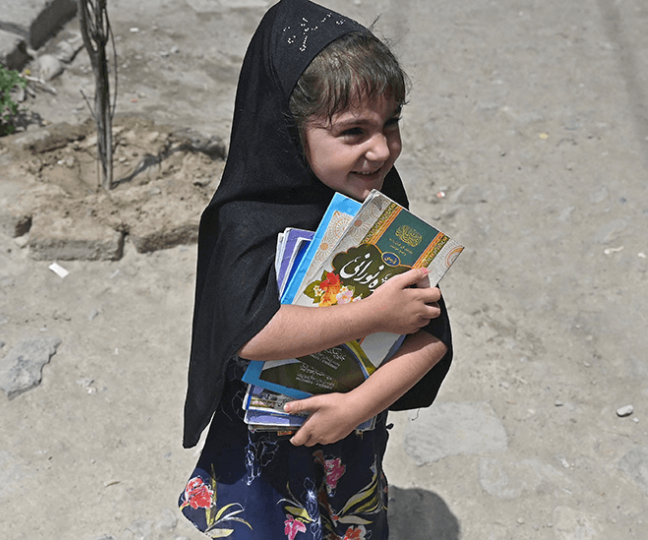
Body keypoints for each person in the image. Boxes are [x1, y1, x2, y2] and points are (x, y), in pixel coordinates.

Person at [178, 1, 454, 538]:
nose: (381, 149)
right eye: (353, 132)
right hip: (262, 443)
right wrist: (375, 313)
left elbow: (433, 335)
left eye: (390, 123)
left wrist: (355, 409)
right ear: (287, 127)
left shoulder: (380, 211)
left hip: (351, 436)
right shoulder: (247, 220)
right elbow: (252, 334)